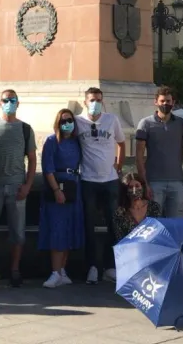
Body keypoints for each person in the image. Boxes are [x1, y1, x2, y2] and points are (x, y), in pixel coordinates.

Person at [0, 89, 37, 289]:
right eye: (6, 100)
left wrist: (28, 185)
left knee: (18, 233)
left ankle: (15, 270)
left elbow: (33, 158)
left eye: (12, 100)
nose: (9, 103)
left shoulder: (26, 129)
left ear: (18, 103)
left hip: (17, 185)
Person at [75, 87, 124, 285]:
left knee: (114, 224)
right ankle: (93, 267)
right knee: (90, 225)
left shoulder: (111, 119)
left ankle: (111, 267)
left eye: (99, 99)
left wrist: (119, 166)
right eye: (92, 99)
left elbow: (121, 142)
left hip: (110, 180)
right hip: (88, 180)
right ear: (85, 101)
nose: (96, 102)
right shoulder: (77, 122)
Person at [39, 109, 85, 288]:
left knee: (69, 229)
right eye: (64, 120)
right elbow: (47, 168)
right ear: (58, 123)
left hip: (74, 186)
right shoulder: (51, 141)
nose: (67, 123)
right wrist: (56, 189)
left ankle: (62, 270)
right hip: (58, 186)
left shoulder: (76, 142)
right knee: (57, 229)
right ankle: (54, 271)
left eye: (70, 120)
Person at [135, 86, 183, 218]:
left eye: (168, 101)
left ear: (173, 103)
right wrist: (144, 182)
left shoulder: (181, 124)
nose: (165, 104)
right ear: (156, 102)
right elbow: (139, 155)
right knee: (154, 224)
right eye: (162, 101)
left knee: (176, 223)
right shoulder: (145, 124)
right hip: (153, 182)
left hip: (177, 181)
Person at [113, 172, 161, 240]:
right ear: (125, 190)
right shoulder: (120, 212)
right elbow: (120, 238)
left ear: (142, 187)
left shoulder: (154, 207)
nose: (134, 190)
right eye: (130, 187)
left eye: (137, 186)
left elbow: (159, 232)